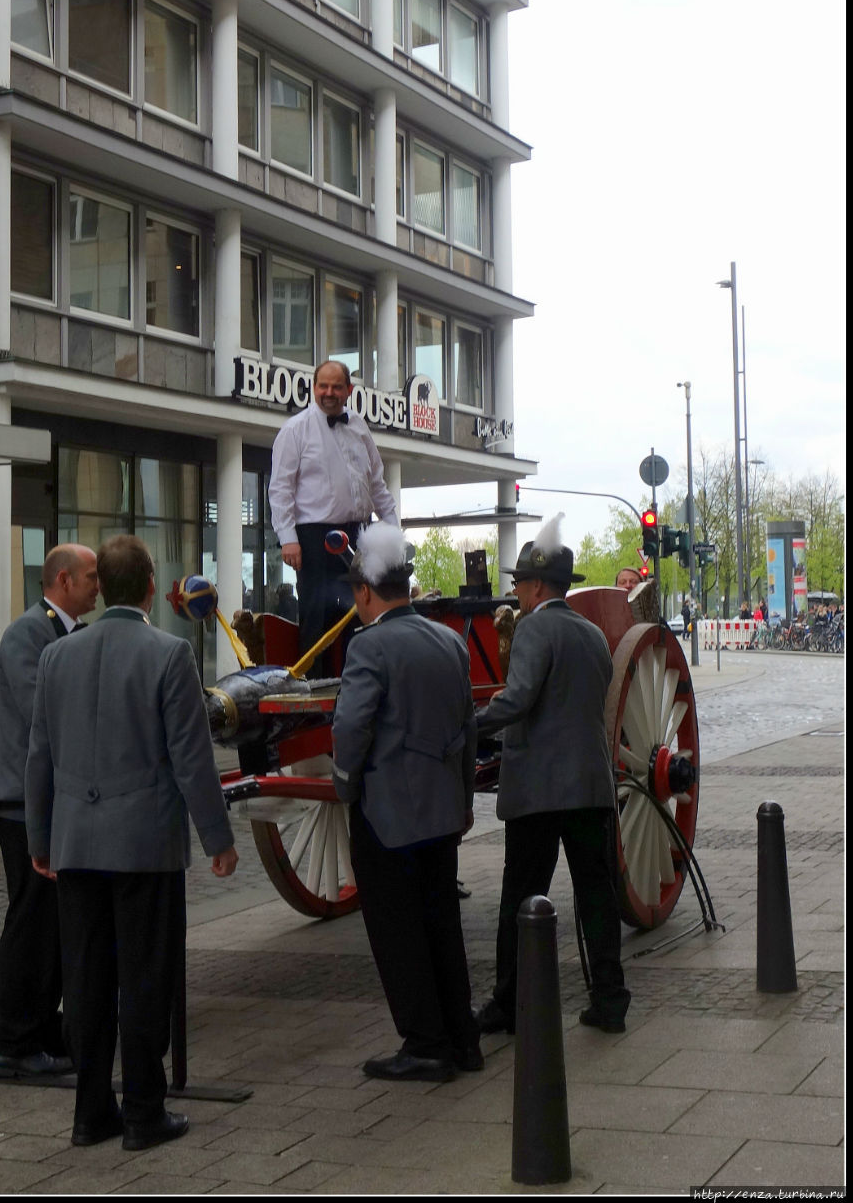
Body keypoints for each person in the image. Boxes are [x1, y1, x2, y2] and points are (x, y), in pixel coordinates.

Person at [25, 535, 238, 1151]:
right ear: (150, 586)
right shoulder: (169, 655)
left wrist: (42, 838)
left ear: (102, 589)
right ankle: (145, 1111)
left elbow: (39, 757)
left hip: (76, 847)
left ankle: (90, 1113)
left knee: (85, 982)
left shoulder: (56, 658)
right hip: (145, 848)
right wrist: (217, 838)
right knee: (147, 978)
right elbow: (191, 761)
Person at [331, 522, 480, 1082]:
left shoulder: (369, 645)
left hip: (386, 813)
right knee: (442, 924)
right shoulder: (450, 641)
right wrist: (463, 799)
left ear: (365, 592)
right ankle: (462, 1038)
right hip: (443, 810)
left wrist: (345, 785)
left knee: (397, 931)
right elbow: (467, 728)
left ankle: (425, 1043)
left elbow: (351, 728)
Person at [474, 514, 631, 1035]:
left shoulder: (533, 628)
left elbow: (517, 701)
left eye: (519, 583)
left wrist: (470, 723)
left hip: (538, 789)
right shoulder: (591, 634)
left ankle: (510, 1002)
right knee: (597, 896)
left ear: (537, 586)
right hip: (590, 785)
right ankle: (609, 999)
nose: (517, 591)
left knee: (519, 897)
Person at [0, 542, 99, 1076]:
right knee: (31, 919)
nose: (98, 585)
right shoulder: (30, 633)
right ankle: (14, 1041)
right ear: (64, 581)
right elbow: (41, 715)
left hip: (53, 800)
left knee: (51, 921)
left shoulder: (71, 632)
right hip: (20, 802)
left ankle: (42, 1025)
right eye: (92, 576)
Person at [269, 359, 398, 671]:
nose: (329, 392)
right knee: (317, 617)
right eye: (323, 386)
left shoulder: (359, 427)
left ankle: (358, 686)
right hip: (314, 537)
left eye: (336, 386)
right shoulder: (294, 430)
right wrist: (289, 539)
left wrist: (394, 533)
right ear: (314, 388)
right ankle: (316, 693)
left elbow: (376, 483)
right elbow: (280, 489)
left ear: (348, 390)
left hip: (360, 534)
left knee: (361, 614)